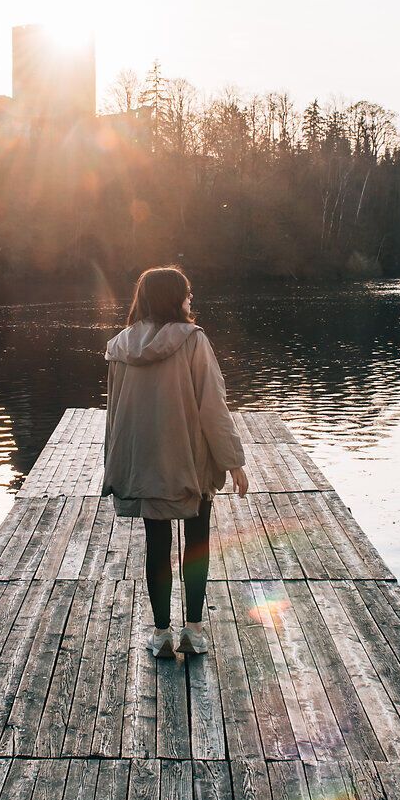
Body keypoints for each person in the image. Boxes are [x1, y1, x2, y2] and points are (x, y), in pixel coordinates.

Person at [101, 266, 248, 659]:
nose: (190, 300)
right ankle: (195, 631)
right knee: (196, 543)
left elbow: (115, 415)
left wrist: (114, 468)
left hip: (146, 465)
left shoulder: (119, 347)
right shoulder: (193, 341)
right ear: (174, 299)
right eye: (187, 294)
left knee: (156, 545)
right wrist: (233, 462)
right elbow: (212, 406)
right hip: (191, 463)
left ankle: (162, 632)